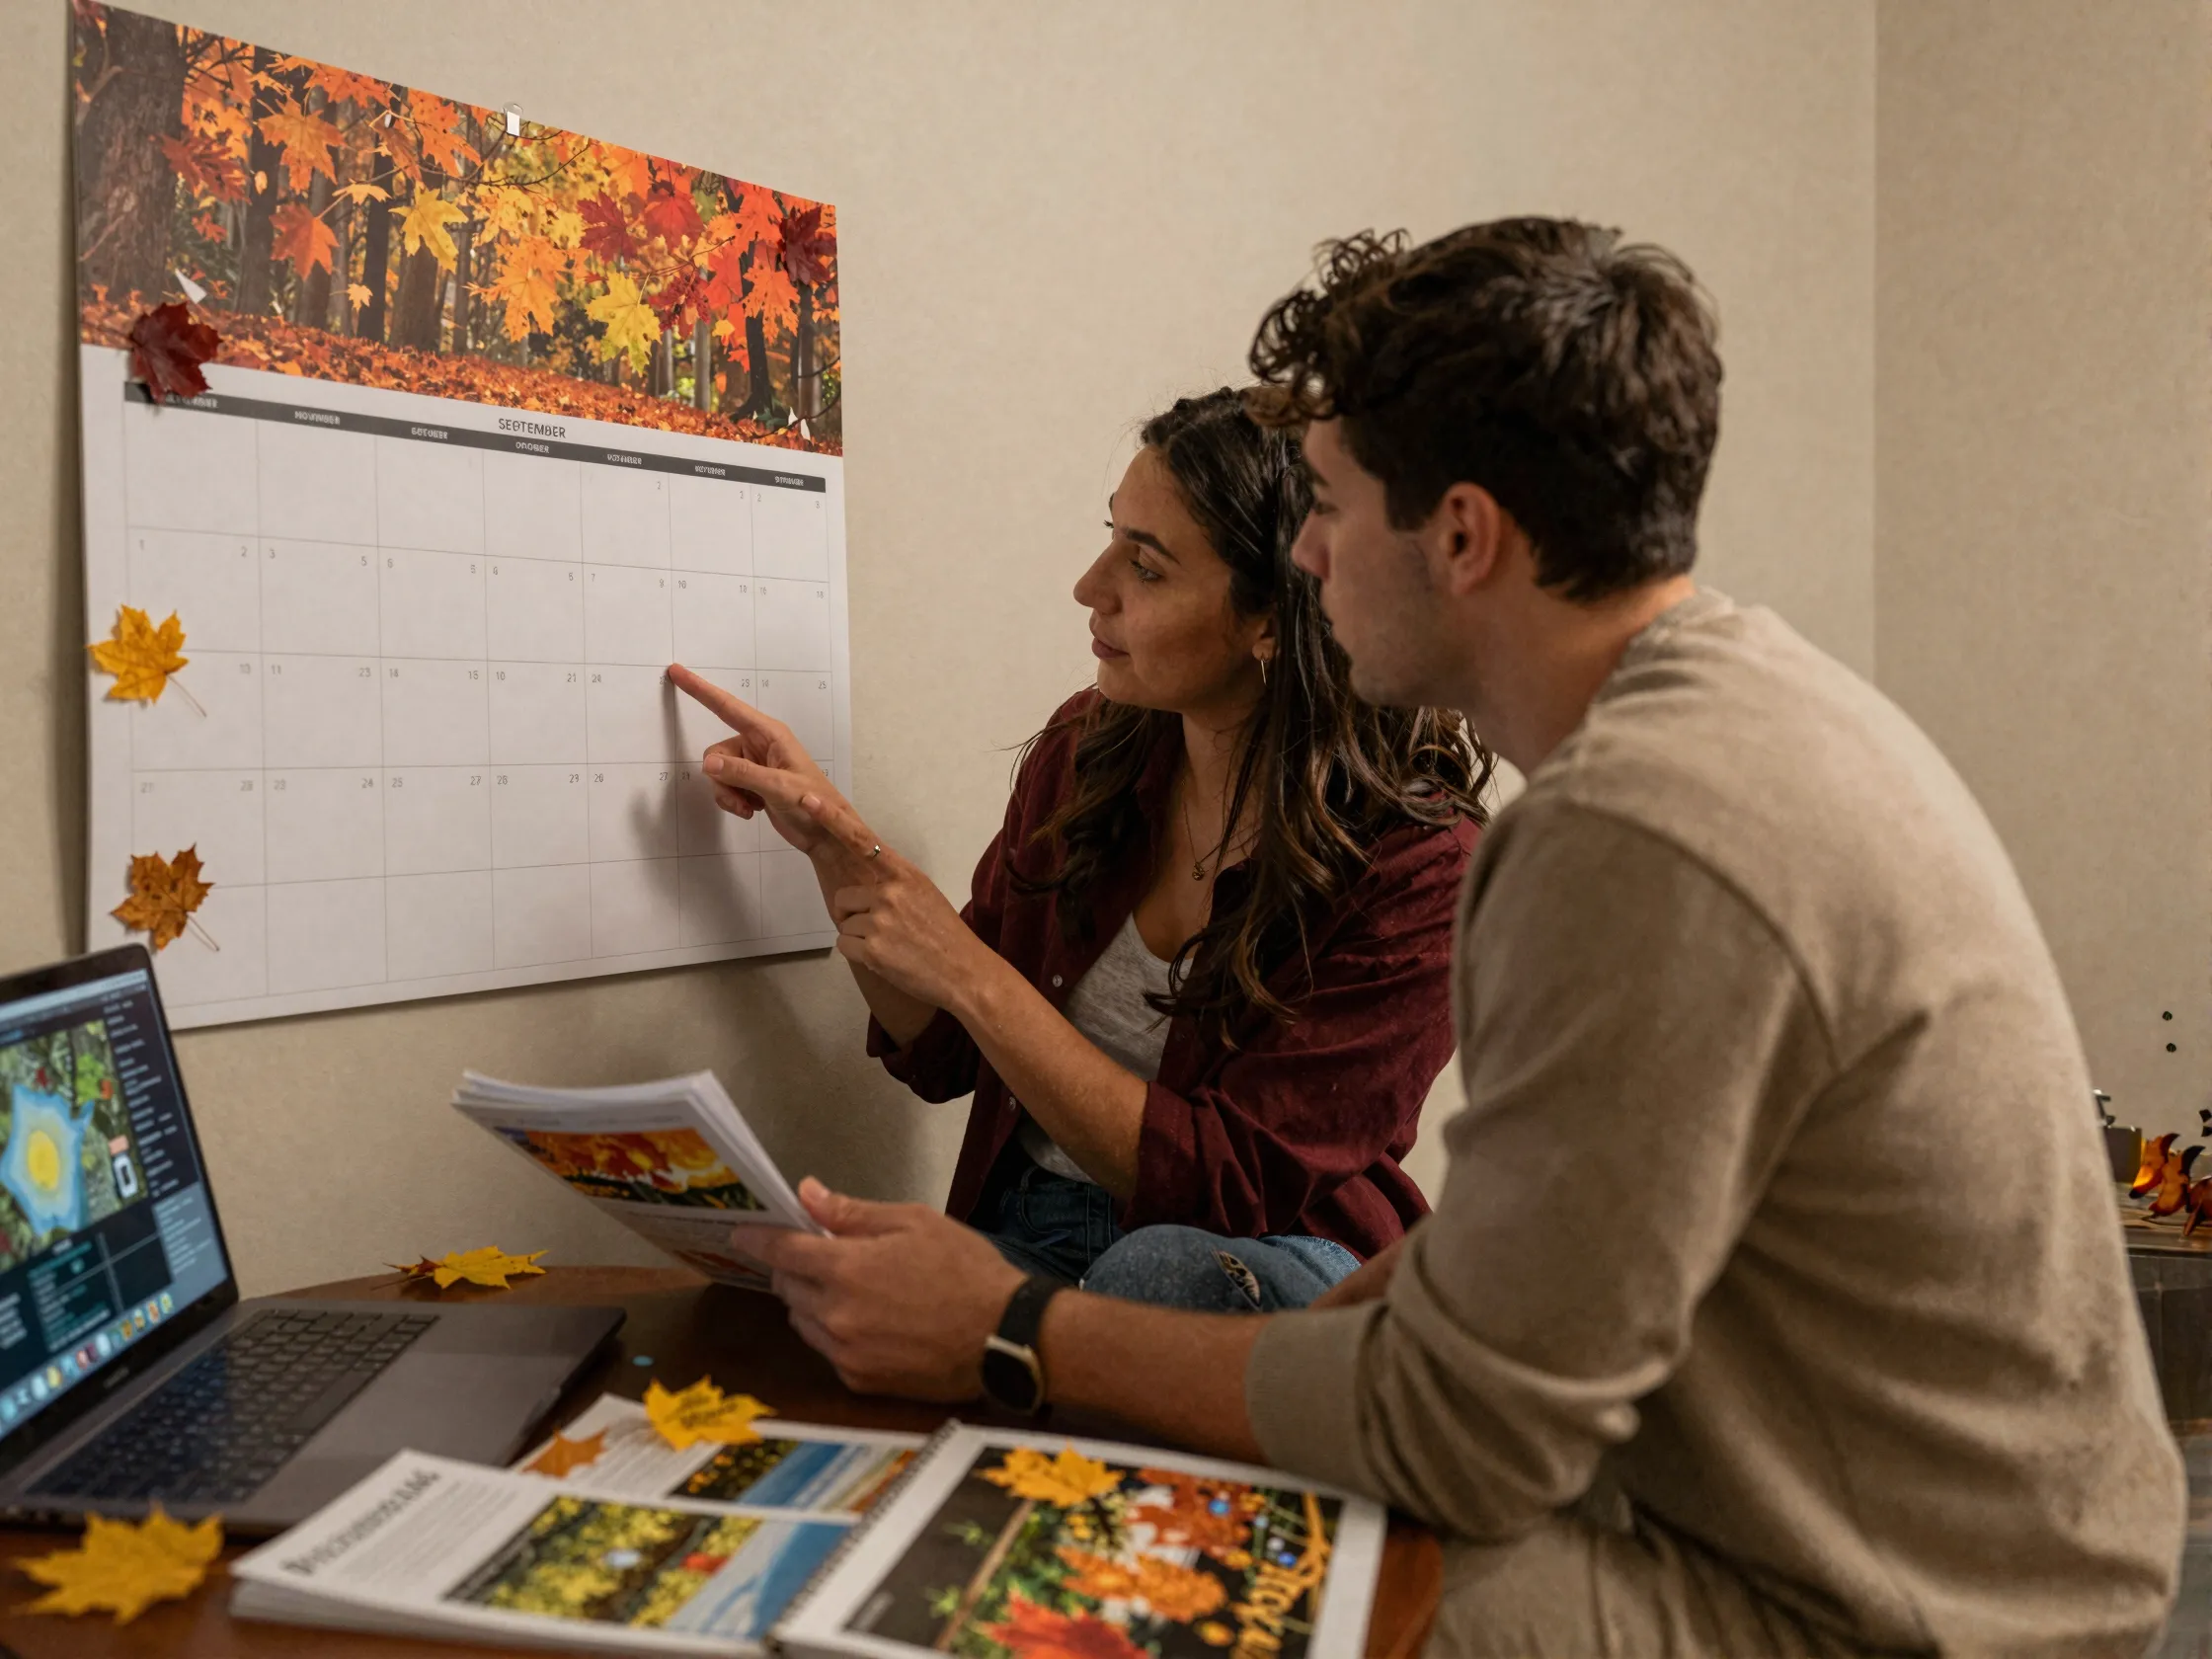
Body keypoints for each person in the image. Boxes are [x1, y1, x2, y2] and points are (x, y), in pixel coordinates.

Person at [724, 218, 2187, 1654]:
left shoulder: (1633, 834)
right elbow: (1534, 1279)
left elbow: (1461, 1440)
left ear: (1464, 537)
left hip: (1907, 1609)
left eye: (1328, 506)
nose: (1306, 553)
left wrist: (1016, 1328)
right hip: (1828, 1515)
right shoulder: (1739, 706)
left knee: (1155, 1592)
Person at [670, 387, 1487, 1311]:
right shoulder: (1090, 750)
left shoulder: (1425, 866)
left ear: (1274, 618)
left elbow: (1225, 1186)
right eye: (1112, 538)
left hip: (1256, 1256)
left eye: (1145, 566)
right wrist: (835, 848)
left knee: (1153, 1274)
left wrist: (970, 974)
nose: (1090, 587)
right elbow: (944, 1053)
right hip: (1030, 1226)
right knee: (810, 1282)